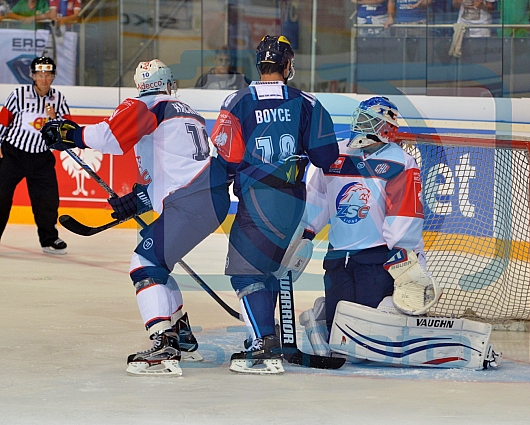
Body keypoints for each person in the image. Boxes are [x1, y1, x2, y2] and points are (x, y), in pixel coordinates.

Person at [40, 59, 231, 376]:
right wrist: (140, 198)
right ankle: (181, 338)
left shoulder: (148, 105)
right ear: (169, 83)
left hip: (192, 200)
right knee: (154, 258)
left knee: (144, 264)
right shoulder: (186, 111)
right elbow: (176, 167)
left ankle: (163, 345)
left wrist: (71, 134)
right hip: (204, 196)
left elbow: (110, 138)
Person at [210, 35, 339, 374]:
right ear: (286, 65)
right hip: (294, 204)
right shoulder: (308, 103)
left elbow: (224, 159)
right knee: (269, 270)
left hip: (257, 202)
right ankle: (272, 334)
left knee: (245, 274)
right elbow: (327, 157)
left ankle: (264, 344)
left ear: (260, 65)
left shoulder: (237, 101)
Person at [299, 96, 424, 339]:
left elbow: (404, 213)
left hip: (375, 259)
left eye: (367, 119)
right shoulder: (335, 153)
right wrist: (307, 231)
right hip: (338, 256)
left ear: (385, 127)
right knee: (338, 331)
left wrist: (405, 251)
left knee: (370, 330)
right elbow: (318, 196)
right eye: (359, 117)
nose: (359, 124)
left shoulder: (401, 162)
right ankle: (325, 313)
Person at [0, 56, 69, 255]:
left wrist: (54, 117)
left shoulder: (58, 99)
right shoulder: (19, 94)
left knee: (47, 200)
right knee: (1, 197)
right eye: (40, 75)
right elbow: (3, 120)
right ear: (32, 76)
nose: (44, 79)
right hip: (13, 154)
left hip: (41, 158)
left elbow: (66, 128)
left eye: (48, 75)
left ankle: (49, 239)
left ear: (53, 77)